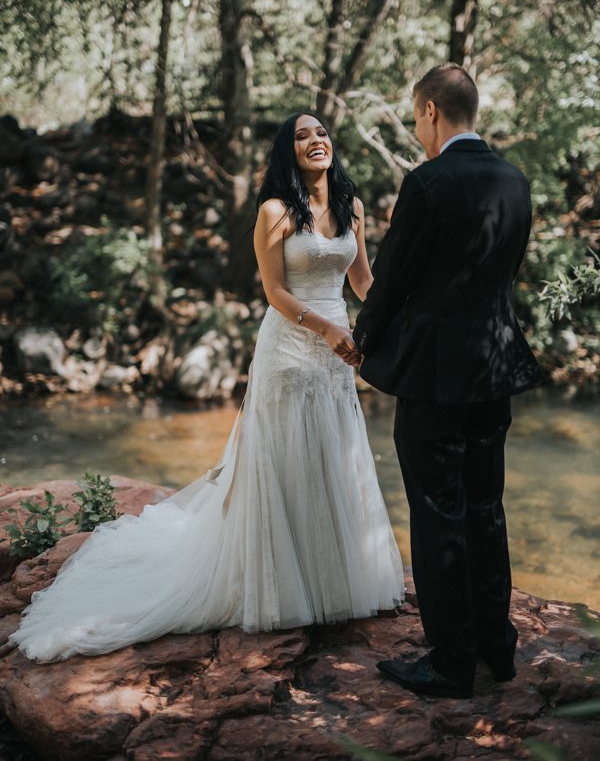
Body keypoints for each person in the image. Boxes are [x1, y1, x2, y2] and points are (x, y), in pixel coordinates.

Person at [8, 112, 404, 664]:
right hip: (293, 347)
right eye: (302, 136)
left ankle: (337, 579)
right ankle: (285, 584)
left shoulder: (352, 207)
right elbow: (274, 292)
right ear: (287, 152)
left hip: (339, 352)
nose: (316, 141)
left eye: (321, 133)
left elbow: (361, 279)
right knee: (286, 458)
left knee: (335, 454)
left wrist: (386, 319)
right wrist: (330, 329)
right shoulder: (275, 211)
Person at [349, 64, 543, 699]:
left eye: (414, 118)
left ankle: (450, 662)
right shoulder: (515, 181)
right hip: (495, 368)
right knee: (486, 507)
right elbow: (505, 272)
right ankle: (498, 647)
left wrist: (364, 340)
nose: (416, 130)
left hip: (437, 377)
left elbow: (397, 277)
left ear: (431, 111)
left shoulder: (427, 182)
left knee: (438, 514)